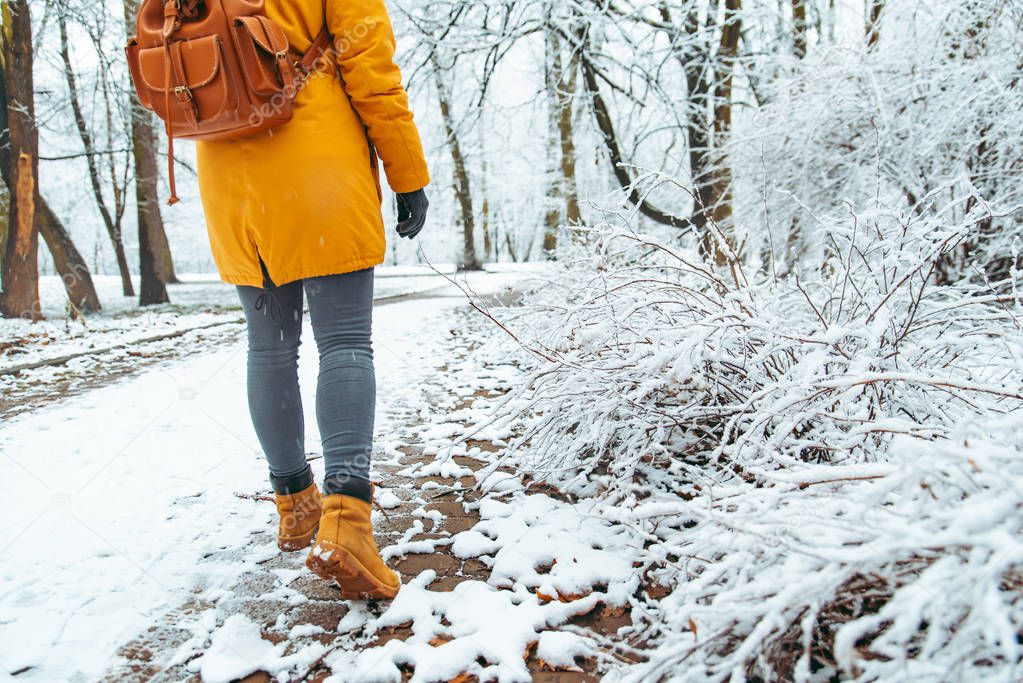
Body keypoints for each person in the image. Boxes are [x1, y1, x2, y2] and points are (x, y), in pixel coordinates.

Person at [195, 0, 429, 600]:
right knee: (345, 342)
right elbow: (371, 71)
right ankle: (347, 523)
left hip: (229, 178)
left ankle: (296, 505)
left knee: (270, 351)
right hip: (316, 166)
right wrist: (408, 175)